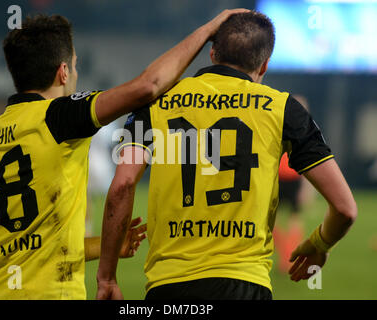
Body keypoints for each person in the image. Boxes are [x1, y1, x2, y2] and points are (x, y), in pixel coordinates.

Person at [0, 9, 243, 300]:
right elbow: (148, 86)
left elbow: (29, 247)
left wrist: (108, 246)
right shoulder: (58, 116)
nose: (75, 73)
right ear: (62, 72)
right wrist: (207, 29)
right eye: (74, 66)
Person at [97, 11, 357, 300]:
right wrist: (320, 244)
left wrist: (107, 277)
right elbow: (345, 209)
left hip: (169, 284)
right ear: (265, 65)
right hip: (245, 283)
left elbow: (122, 185)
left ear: (211, 52)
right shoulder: (284, 109)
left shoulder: (156, 103)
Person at [273, 95, 316, 273]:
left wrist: (307, 189)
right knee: (272, 222)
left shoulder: (305, 130)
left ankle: (289, 258)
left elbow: (309, 163)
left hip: (294, 179)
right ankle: (286, 255)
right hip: (278, 180)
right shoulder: (280, 126)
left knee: (293, 220)